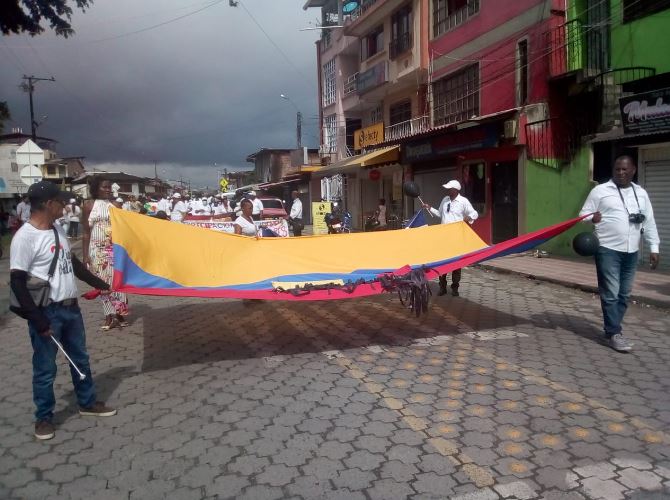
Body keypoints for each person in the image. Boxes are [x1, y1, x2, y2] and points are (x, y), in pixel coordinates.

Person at [9, 181, 117, 441]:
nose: (65, 205)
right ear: (48, 204)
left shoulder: (57, 229)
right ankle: (43, 417)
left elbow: (73, 263)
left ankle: (87, 402)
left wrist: (99, 283)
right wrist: (37, 319)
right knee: (45, 368)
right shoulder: (25, 237)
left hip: (71, 309)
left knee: (80, 358)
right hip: (47, 312)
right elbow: (17, 281)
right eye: (61, 201)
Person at [579, 155, 660, 352]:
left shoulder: (640, 193)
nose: (621, 173)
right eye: (617, 169)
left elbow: (648, 221)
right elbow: (583, 216)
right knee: (610, 293)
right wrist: (592, 217)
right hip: (607, 249)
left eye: (625, 169)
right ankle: (615, 332)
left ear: (633, 170)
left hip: (631, 251)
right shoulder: (600, 191)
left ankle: (611, 329)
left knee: (624, 294)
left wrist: (654, 247)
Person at [82, 177, 130, 331]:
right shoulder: (89, 205)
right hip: (96, 250)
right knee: (101, 283)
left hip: (113, 249)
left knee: (117, 280)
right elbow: (85, 232)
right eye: (105, 187)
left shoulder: (115, 205)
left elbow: (123, 227)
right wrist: (85, 256)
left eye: (109, 187)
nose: (108, 189)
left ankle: (120, 313)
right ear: (96, 188)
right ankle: (109, 315)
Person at [423, 180, 478, 297]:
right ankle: (442, 287)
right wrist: (429, 208)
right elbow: (439, 213)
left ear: (456, 190)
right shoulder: (445, 200)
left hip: (456, 237)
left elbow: (475, 213)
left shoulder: (463, 201)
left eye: (449, 189)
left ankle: (455, 288)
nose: (447, 190)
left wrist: (468, 217)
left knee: (457, 264)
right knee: (442, 263)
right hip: (444, 237)